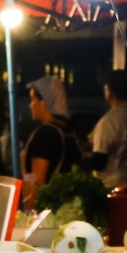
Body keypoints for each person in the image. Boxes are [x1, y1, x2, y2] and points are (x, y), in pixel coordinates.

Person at [19, 75, 83, 205]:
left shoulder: (45, 134)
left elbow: (37, 185)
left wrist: (29, 214)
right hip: (66, 211)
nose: (30, 105)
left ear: (44, 102)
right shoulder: (68, 133)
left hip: (46, 217)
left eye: (32, 99)